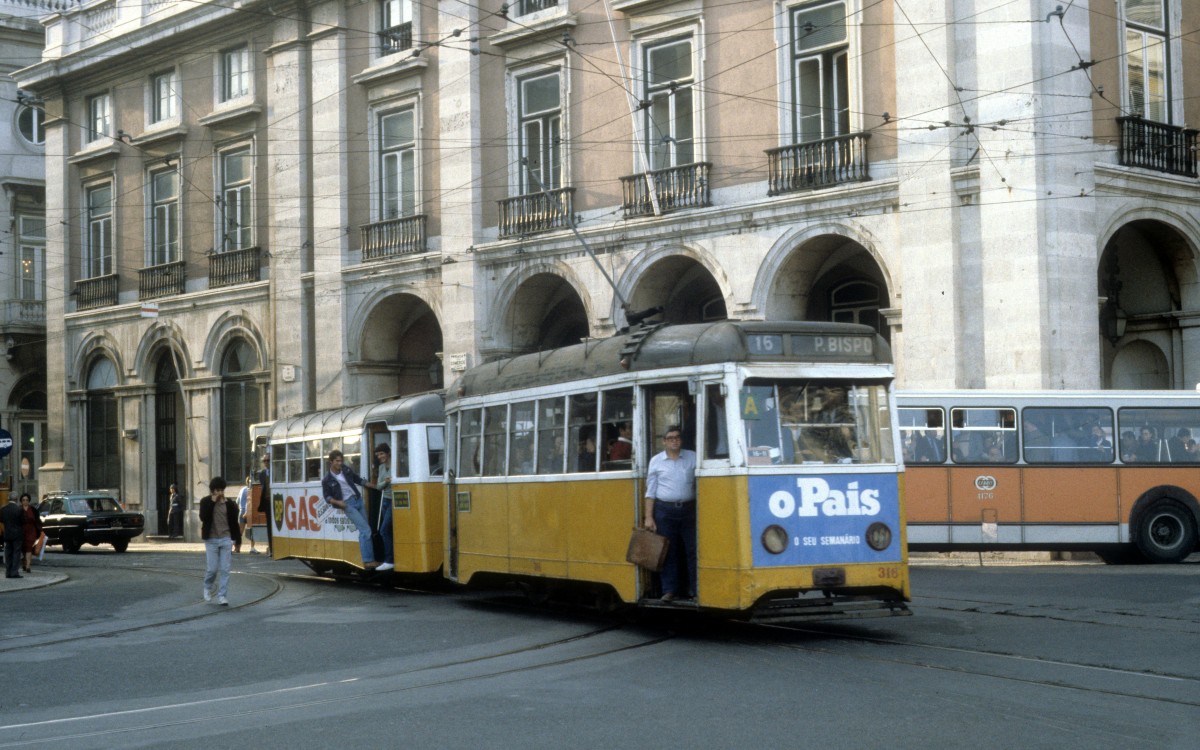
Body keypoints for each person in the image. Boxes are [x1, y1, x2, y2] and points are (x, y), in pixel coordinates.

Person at [642, 425, 697, 602]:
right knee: (668, 550)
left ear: (681, 440)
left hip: (689, 509)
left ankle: (696, 590)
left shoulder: (693, 457)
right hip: (665, 510)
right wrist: (649, 517)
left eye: (677, 437)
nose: (674, 440)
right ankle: (669, 590)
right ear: (664, 441)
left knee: (692, 550)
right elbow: (650, 491)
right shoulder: (656, 461)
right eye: (670, 438)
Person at [321, 449, 379, 571]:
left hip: (358, 500)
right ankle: (368, 561)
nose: (340, 463)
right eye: (337, 461)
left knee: (365, 530)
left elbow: (358, 479)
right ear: (331, 462)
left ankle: (368, 559)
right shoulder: (327, 479)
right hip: (347, 504)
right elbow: (327, 497)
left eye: (341, 460)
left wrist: (374, 486)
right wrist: (339, 503)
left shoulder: (346, 469)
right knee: (365, 530)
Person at [199, 476, 241, 605]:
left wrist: (237, 541)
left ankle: (222, 596)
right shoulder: (205, 502)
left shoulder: (230, 504)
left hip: (225, 539)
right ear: (212, 491)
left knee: (225, 569)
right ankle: (207, 587)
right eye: (218, 490)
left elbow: (234, 523)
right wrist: (212, 502)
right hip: (211, 540)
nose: (220, 493)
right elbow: (203, 518)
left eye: (222, 490)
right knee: (212, 569)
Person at [369, 443, 395, 572]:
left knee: (384, 530)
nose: (380, 457)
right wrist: (386, 481)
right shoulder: (381, 468)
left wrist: (389, 481)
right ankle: (389, 559)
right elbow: (378, 486)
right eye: (378, 455)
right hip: (385, 501)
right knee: (387, 531)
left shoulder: (396, 466)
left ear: (388, 453)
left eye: (382, 454)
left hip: (394, 501)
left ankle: (389, 560)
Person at [2, 493, 25, 579]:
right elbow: (23, 521)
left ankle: (8, 572)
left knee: (8, 553)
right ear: (16, 499)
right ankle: (14, 572)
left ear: (8, 498)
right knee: (16, 553)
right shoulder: (19, 509)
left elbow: (1, 519)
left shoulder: (3, 509)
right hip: (17, 534)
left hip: (7, 533)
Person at [19, 493, 42, 573]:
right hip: (21, 531)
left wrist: (40, 530)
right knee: (23, 549)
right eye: (23, 500)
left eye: (27, 500)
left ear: (29, 501)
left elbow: (38, 520)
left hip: (31, 531)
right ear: (21, 501)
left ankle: (28, 565)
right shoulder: (19, 510)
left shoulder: (33, 510)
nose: (25, 502)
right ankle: (24, 563)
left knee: (29, 547)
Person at [236, 477, 257, 554]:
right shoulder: (251, 490)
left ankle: (237, 548)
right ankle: (252, 548)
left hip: (241, 511)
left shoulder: (241, 490)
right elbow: (251, 502)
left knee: (240, 532)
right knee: (252, 531)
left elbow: (237, 501)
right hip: (249, 512)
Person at [256, 454, 272, 555]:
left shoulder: (277, 471)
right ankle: (271, 548)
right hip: (267, 502)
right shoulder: (262, 473)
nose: (266, 462)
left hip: (277, 501)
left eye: (268, 460)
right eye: (264, 461)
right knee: (270, 526)